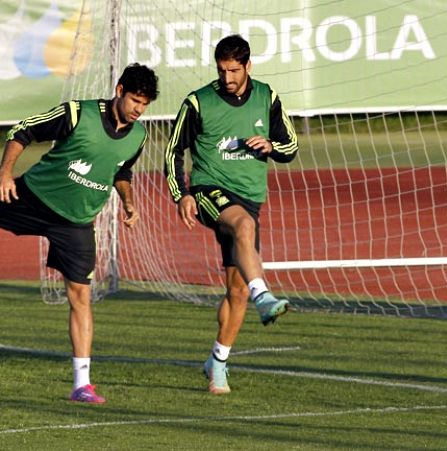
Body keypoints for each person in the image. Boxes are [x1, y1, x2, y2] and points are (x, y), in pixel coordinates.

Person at [0, 63, 159, 404]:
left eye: (145, 104)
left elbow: (121, 171)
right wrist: (5, 174)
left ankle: (81, 385)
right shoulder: (77, 113)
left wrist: (128, 200)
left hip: (75, 223)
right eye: (134, 100)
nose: (138, 109)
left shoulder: (139, 136)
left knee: (81, 296)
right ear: (119, 90)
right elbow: (23, 132)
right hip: (32, 198)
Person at [164, 34, 299, 395]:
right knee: (243, 223)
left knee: (235, 291)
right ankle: (265, 297)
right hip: (210, 191)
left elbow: (291, 146)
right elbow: (174, 150)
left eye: (234, 70)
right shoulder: (198, 102)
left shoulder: (266, 96)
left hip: (251, 196)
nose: (227, 78)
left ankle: (217, 364)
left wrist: (271, 145)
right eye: (222, 70)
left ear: (248, 66)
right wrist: (182, 194)